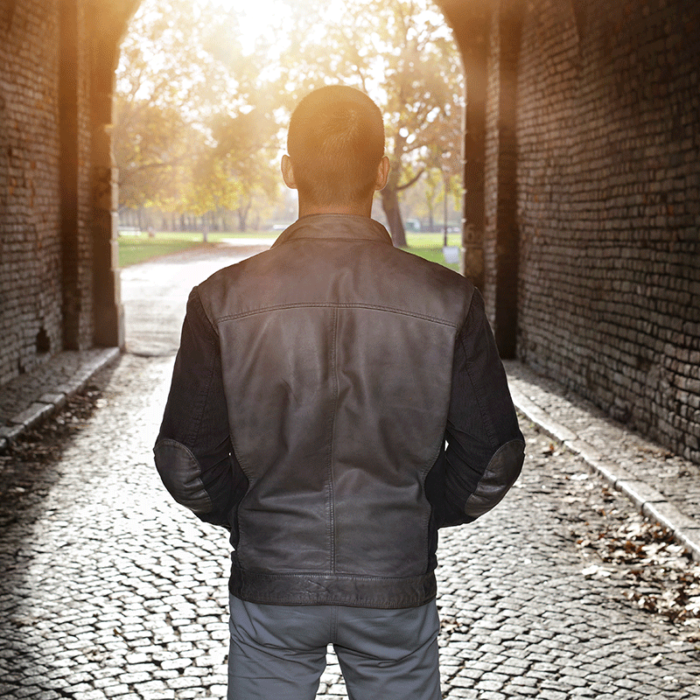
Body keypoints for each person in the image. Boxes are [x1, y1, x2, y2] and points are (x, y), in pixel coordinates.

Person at [154, 85, 525, 700]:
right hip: (393, 578)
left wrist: (248, 510)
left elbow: (184, 459)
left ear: (289, 170)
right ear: (381, 172)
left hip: (272, 578)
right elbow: (494, 456)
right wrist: (422, 509)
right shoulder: (449, 298)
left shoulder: (219, 299)